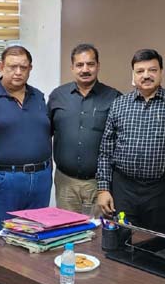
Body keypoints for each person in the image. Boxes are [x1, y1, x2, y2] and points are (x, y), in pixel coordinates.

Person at [96, 49, 165, 233]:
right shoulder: (119, 104)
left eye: (152, 70)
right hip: (123, 189)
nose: (146, 75)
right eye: (140, 71)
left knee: (157, 242)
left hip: (161, 190)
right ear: (133, 74)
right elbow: (106, 151)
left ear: (161, 72)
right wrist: (103, 189)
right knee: (122, 238)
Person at [0, 45, 52, 237]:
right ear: (1, 67)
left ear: (30, 68)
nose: (18, 72)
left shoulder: (38, 96)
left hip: (40, 178)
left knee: (35, 236)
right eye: (12, 67)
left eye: (23, 67)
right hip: (2, 180)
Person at [48, 44, 121, 214]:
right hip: (65, 182)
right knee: (66, 228)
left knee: (98, 229)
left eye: (90, 64)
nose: (85, 69)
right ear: (72, 68)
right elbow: (46, 132)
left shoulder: (114, 98)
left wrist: (106, 186)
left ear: (98, 66)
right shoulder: (58, 96)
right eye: (79, 65)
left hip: (100, 184)